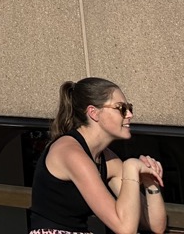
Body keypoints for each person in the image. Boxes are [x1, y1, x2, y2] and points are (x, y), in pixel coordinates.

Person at [28, 77, 166, 234]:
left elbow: (156, 226)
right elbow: (125, 228)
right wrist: (131, 167)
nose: (129, 115)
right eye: (121, 108)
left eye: (130, 108)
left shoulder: (107, 159)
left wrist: (150, 183)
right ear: (93, 113)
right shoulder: (71, 153)